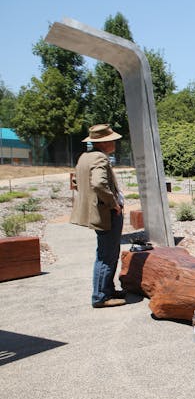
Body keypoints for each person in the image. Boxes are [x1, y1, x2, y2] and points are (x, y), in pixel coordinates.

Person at [70, 123, 127, 308]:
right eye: (112, 140)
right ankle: (101, 296)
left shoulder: (84, 157)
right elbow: (99, 183)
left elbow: (76, 181)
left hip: (96, 212)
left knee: (106, 252)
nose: (115, 144)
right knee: (107, 255)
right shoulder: (100, 158)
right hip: (106, 213)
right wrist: (113, 204)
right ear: (104, 143)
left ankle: (107, 289)